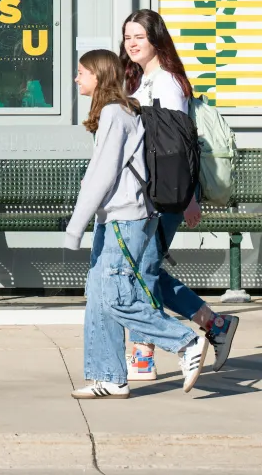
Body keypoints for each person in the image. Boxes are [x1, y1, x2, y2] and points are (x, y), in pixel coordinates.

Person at [65, 49, 208, 399]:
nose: (77, 78)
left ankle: (185, 341)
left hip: (124, 218)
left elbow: (101, 175)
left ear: (99, 76)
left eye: (82, 72)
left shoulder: (115, 113)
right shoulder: (120, 111)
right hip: (118, 218)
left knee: (116, 297)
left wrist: (74, 227)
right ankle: (109, 376)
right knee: (99, 298)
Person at [121, 9, 239, 381]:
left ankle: (143, 354)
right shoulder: (141, 81)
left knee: (141, 274)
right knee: (144, 271)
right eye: (128, 37)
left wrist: (187, 197)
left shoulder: (168, 83)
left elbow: (180, 145)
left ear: (157, 39)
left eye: (139, 35)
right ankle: (215, 324)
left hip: (165, 195)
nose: (132, 43)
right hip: (148, 191)